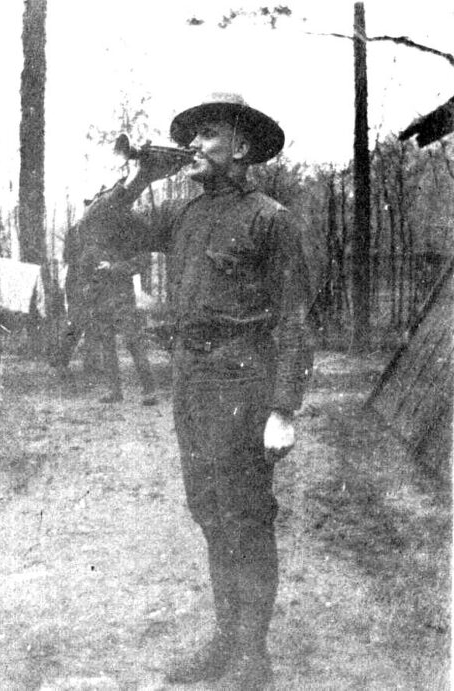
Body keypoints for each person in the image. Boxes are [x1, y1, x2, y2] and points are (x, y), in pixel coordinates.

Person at [104, 92, 315, 689]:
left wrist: (282, 409)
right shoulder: (184, 215)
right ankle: (226, 642)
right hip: (191, 382)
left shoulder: (271, 218)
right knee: (211, 515)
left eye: (208, 136)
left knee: (246, 517)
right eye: (190, 137)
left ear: (242, 148)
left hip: (242, 379)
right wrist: (140, 174)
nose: (193, 145)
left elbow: (295, 319)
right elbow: (100, 230)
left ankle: (253, 656)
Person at [55, 194, 157, 405]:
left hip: (121, 295)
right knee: (107, 343)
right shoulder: (89, 236)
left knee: (133, 340)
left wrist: (114, 268)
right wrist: (87, 288)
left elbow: (143, 260)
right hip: (99, 297)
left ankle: (150, 391)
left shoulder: (127, 232)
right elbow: (81, 266)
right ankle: (115, 391)